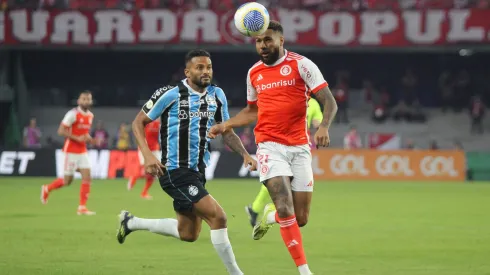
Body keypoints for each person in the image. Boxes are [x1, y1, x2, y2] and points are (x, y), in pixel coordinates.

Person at [209, 21, 337, 275]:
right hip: (269, 146)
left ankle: (271, 216)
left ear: (281, 40)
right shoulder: (254, 73)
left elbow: (329, 101)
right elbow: (251, 111)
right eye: (258, 41)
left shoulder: (302, 65)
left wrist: (323, 126)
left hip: (300, 147)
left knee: (300, 218)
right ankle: (305, 271)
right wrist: (226, 125)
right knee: (285, 206)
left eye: (268, 40)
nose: (263, 45)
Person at [116, 49, 257, 275]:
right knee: (218, 217)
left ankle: (131, 222)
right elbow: (138, 123)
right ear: (187, 71)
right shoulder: (170, 93)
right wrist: (148, 155)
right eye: (199, 68)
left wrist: (245, 154)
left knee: (188, 234)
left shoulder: (217, 95)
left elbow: (226, 131)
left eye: (208, 67)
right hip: (173, 170)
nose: (205, 71)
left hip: (197, 171)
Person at [244, 96, 323, 227]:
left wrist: (322, 126)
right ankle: (268, 212)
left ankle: (257, 209)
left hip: (299, 147)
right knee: (280, 180)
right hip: (280, 146)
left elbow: (317, 122)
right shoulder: (291, 98)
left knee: (280, 180)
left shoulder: (312, 103)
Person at [40, 91, 96, 215]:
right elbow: (60, 131)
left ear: (91, 102)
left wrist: (89, 138)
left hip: (82, 151)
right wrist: (78, 138)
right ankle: (47, 188)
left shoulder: (90, 116)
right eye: (84, 99)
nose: (86, 101)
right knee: (67, 181)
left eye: (88, 99)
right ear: (79, 101)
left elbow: (84, 133)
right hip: (70, 151)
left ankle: (82, 207)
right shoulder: (72, 114)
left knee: (87, 176)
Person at [127, 119, 161, 199]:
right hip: (144, 148)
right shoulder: (146, 120)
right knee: (145, 170)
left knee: (155, 171)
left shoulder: (160, 123)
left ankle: (144, 193)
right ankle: (134, 178)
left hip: (154, 149)